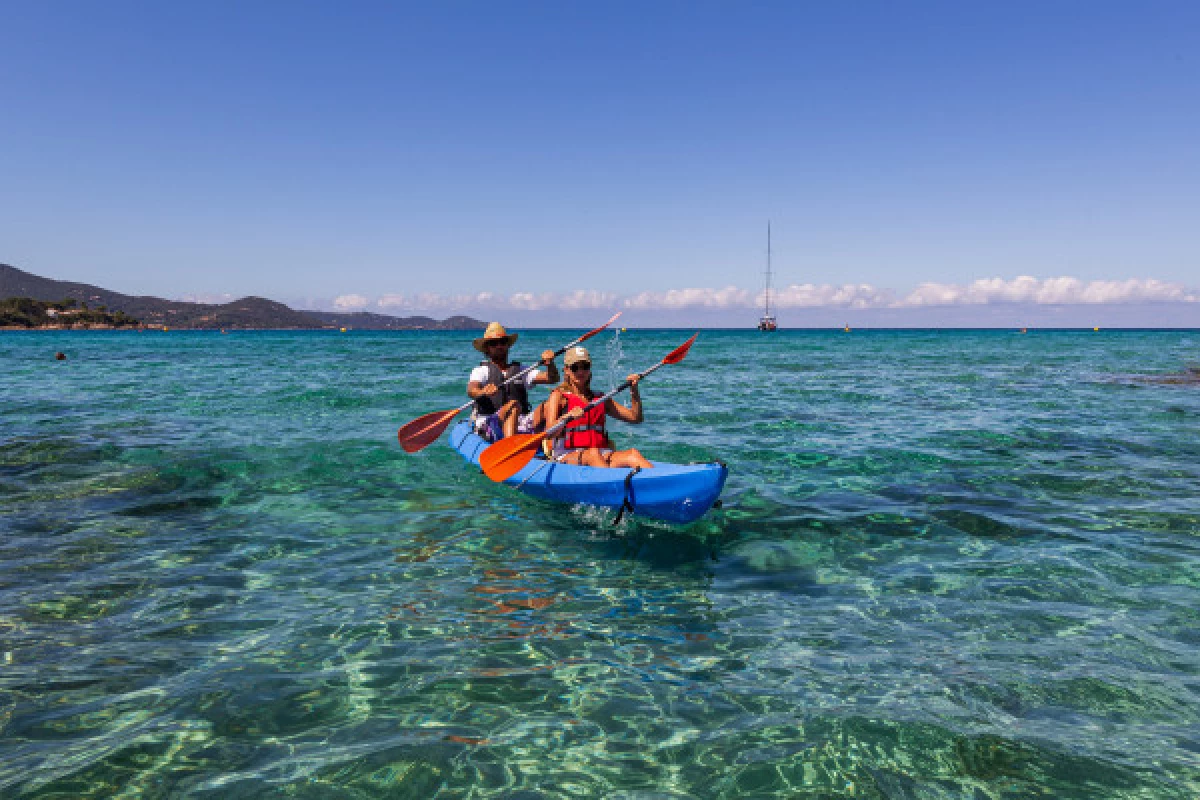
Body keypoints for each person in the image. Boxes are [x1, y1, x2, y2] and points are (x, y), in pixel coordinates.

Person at [542, 345, 653, 469]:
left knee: (633, 454)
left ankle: (660, 484)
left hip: (601, 453)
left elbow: (635, 417)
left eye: (585, 367)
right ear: (567, 370)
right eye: (575, 368)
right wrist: (568, 416)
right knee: (593, 454)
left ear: (590, 369)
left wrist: (634, 390)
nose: (580, 372)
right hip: (566, 455)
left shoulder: (600, 398)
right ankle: (612, 485)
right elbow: (548, 433)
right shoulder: (558, 396)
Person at [467, 322, 558, 441]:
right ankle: (510, 447)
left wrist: (550, 364)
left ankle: (551, 446)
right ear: (487, 349)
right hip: (492, 422)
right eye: (494, 343)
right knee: (513, 405)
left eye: (503, 342)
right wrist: (483, 391)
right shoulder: (481, 371)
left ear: (507, 345)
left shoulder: (521, 370)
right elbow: (471, 390)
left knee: (550, 403)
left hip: (520, 421)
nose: (499, 346)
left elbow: (552, 378)